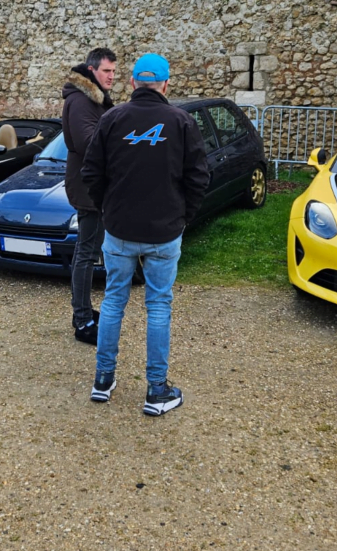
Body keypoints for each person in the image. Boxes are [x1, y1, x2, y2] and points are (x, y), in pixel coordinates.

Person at [80, 53, 210, 416]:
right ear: (166, 84)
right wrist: (183, 216)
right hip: (164, 231)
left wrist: (108, 208)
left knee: (113, 302)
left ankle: (103, 381)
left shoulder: (113, 119)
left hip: (120, 229)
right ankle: (156, 391)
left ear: (133, 83)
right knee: (158, 306)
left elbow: (91, 173)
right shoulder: (180, 121)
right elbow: (199, 177)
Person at [61, 47, 117, 345]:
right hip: (88, 186)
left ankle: (82, 311)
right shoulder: (83, 100)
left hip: (94, 184)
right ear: (92, 70)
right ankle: (82, 319)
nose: (112, 77)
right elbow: (87, 142)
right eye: (107, 71)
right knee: (86, 252)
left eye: (114, 72)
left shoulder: (94, 100)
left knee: (89, 249)